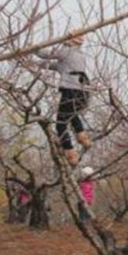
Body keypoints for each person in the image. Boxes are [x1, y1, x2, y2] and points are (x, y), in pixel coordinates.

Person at [36, 35, 92, 167]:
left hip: (70, 91)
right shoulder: (79, 56)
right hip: (82, 92)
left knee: (60, 124)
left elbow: (47, 55)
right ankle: (84, 139)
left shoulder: (67, 52)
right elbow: (53, 65)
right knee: (72, 116)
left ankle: (70, 153)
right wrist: (29, 62)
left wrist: (34, 49)